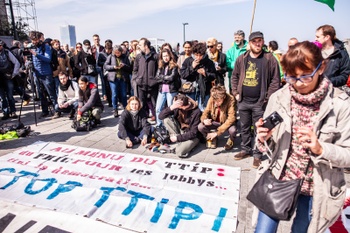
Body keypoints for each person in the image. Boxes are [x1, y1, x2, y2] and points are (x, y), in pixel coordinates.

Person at [253, 41, 350, 232]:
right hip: (279, 178)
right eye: (291, 77)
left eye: (305, 77)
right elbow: (267, 145)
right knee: (262, 230)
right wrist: (264, 137)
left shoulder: (340, 105)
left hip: (317, 188)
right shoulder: (279, 97)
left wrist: (321, 149)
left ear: (321, 67)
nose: (297, 83)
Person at [231, 31, 280, 168]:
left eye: (260, 41)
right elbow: (234, 76)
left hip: (260, 102)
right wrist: (235, 93)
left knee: (260, 129)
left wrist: (267, 97)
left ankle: (257, 154)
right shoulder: (242, 59)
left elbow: (275, 81)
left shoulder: (269, 59)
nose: (258, 44)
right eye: (255, 41)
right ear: (250, 43)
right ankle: (245, 149)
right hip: (243, 100)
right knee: (244, 127)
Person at [159, 93, 201, 158]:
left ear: (183, 106)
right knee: (166, 119)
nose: (176, 106)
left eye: (177, 105)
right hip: (181, 131)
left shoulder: (196, 111)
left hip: (192, 135)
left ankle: (184, 145)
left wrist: (177, 138)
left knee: (179, 152)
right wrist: (172, 107)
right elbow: (160, 116)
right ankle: (179, 142)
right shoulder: (177, 107)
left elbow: (193, 133)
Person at [29, 31, 58, 118]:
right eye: (32, 40)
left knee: (51, 93)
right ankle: (45, 111)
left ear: (38, 39)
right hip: (37, 74)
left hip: (46, 74)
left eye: (35, 39)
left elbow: (48, 59)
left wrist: (36, 54)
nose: (33, 41)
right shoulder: (32, 47)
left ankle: (57, 110)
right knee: (41, 94)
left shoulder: (46, 47)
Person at [198, 85, 237, 150]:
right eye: (215, 101)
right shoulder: (213, 98)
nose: (216, 103)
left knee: (233, 130)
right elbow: (206, 111)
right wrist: (204, 119)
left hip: (225, 122)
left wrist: (217, 132)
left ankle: (231, 140)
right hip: (215, 121)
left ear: (224, 97)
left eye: (219, 101)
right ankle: (211, 138)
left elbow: (231, 118)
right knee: (200, 127)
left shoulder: (231, 99)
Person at [180, 42, 216, 111]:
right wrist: (192, 67)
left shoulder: (209, 62)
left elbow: (214, 76)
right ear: (193, 53)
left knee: (203, 110)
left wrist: (205, 73)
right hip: (190, 90)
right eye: (196, 55)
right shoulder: (188, 61)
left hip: (204, 91)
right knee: (190, 109)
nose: (198, 57)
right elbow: (183, 75)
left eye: (200, 55)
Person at [132, 37, 158, 121]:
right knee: (141, 104)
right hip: (141, 85)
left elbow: (159, 70)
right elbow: (135, 70)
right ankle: (142, 123)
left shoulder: (155, 57)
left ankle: (158, 123)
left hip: (152, 85)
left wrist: (155, 80)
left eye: (140, 45)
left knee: (155, 105)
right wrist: (136, 80)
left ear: (146, 46)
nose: (138, 46)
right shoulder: (138, 57)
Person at [104, 45, 132, 117]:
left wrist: (124, 65)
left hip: (123, 78)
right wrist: (113, 67)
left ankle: (126, 108)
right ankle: (115, 109)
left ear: (121, 52)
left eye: (118, 52)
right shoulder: (110, 56)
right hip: (113, 78)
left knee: (123, 94)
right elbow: (105, 66)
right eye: (115, 52)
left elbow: (129, 68)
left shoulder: (125, 57)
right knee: (114, 94)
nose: (117, 54)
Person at [155, 48, 180, 126]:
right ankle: (159, 125)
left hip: (171, 90)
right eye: (163, 56)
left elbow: (172, 78)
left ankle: (171, 126)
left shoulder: (174, 66)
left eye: (167, 56)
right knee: (158, 108)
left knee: (171, 109)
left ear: (170, 56)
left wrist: (162, 77)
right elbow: (156, 77)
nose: (165, 58)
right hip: (162, 90)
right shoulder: (160, 66)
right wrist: (165, 77)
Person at [0, 40, 20, 120]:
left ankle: (13, 111)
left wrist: (14, 74)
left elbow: (16, 63)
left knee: (10, 96)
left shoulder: (7, 52)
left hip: (8, 76)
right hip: (0, 78)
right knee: (2, 97)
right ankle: (5, 112)